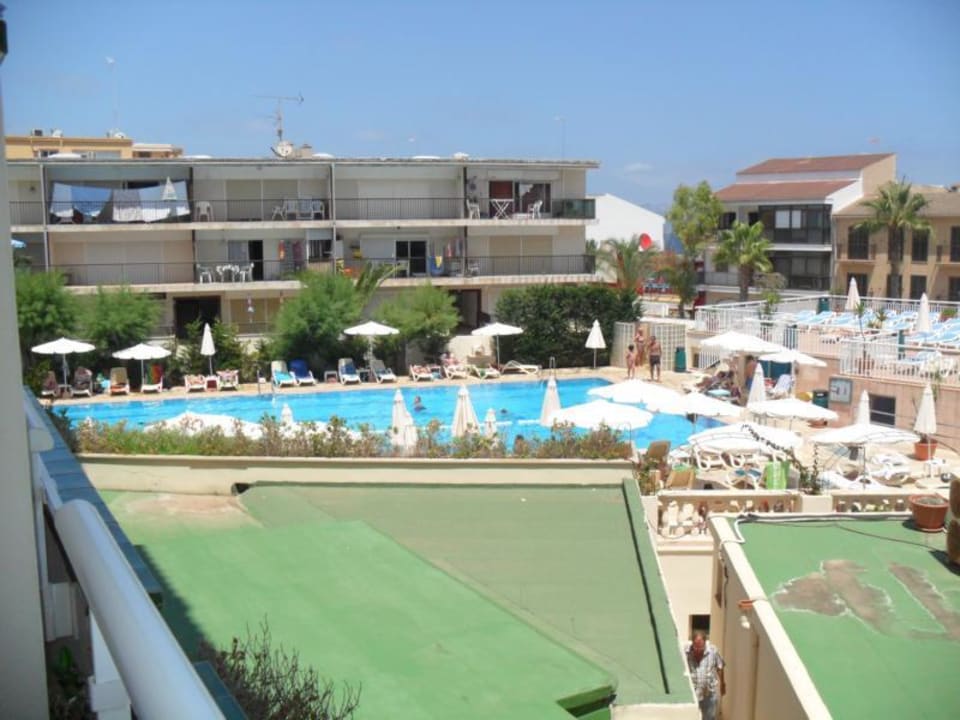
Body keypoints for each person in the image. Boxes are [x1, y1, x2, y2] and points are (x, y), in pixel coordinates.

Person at [685, 632, 725, 720]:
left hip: (709, 693)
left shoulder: (713, 651)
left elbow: (720, 666)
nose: (698, 650)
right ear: (692, 643)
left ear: (705, 643)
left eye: (701, 647)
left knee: (709, 718)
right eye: (696, 647)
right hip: (692, 694)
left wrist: (722, 684)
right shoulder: (686, 652)